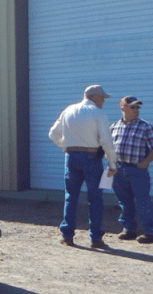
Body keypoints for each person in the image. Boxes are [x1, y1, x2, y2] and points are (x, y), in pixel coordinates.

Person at [49, 84, 119, 248]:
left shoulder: (68, 110)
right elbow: (106, 140)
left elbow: (53, 134)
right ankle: (95, 238)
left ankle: (67, 235)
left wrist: (65, 148)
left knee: (71, 196)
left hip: (71, 157)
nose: (103, 101)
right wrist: (112, 162)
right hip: (91, 157)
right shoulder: (98, 113)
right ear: (94, 97)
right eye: (102, 97)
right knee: (95, 198)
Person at [110, 95, 153, 244]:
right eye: (132, 106)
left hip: (137, 171)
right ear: (122, 107)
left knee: (143, 201)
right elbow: (108, 147)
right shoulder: (114, 126)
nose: (136, 110)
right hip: (119, 169)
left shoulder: (146, 127)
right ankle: (129, 229)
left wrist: (146, 161)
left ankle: (149, 231)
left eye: (137, 107)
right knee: (124, 201)